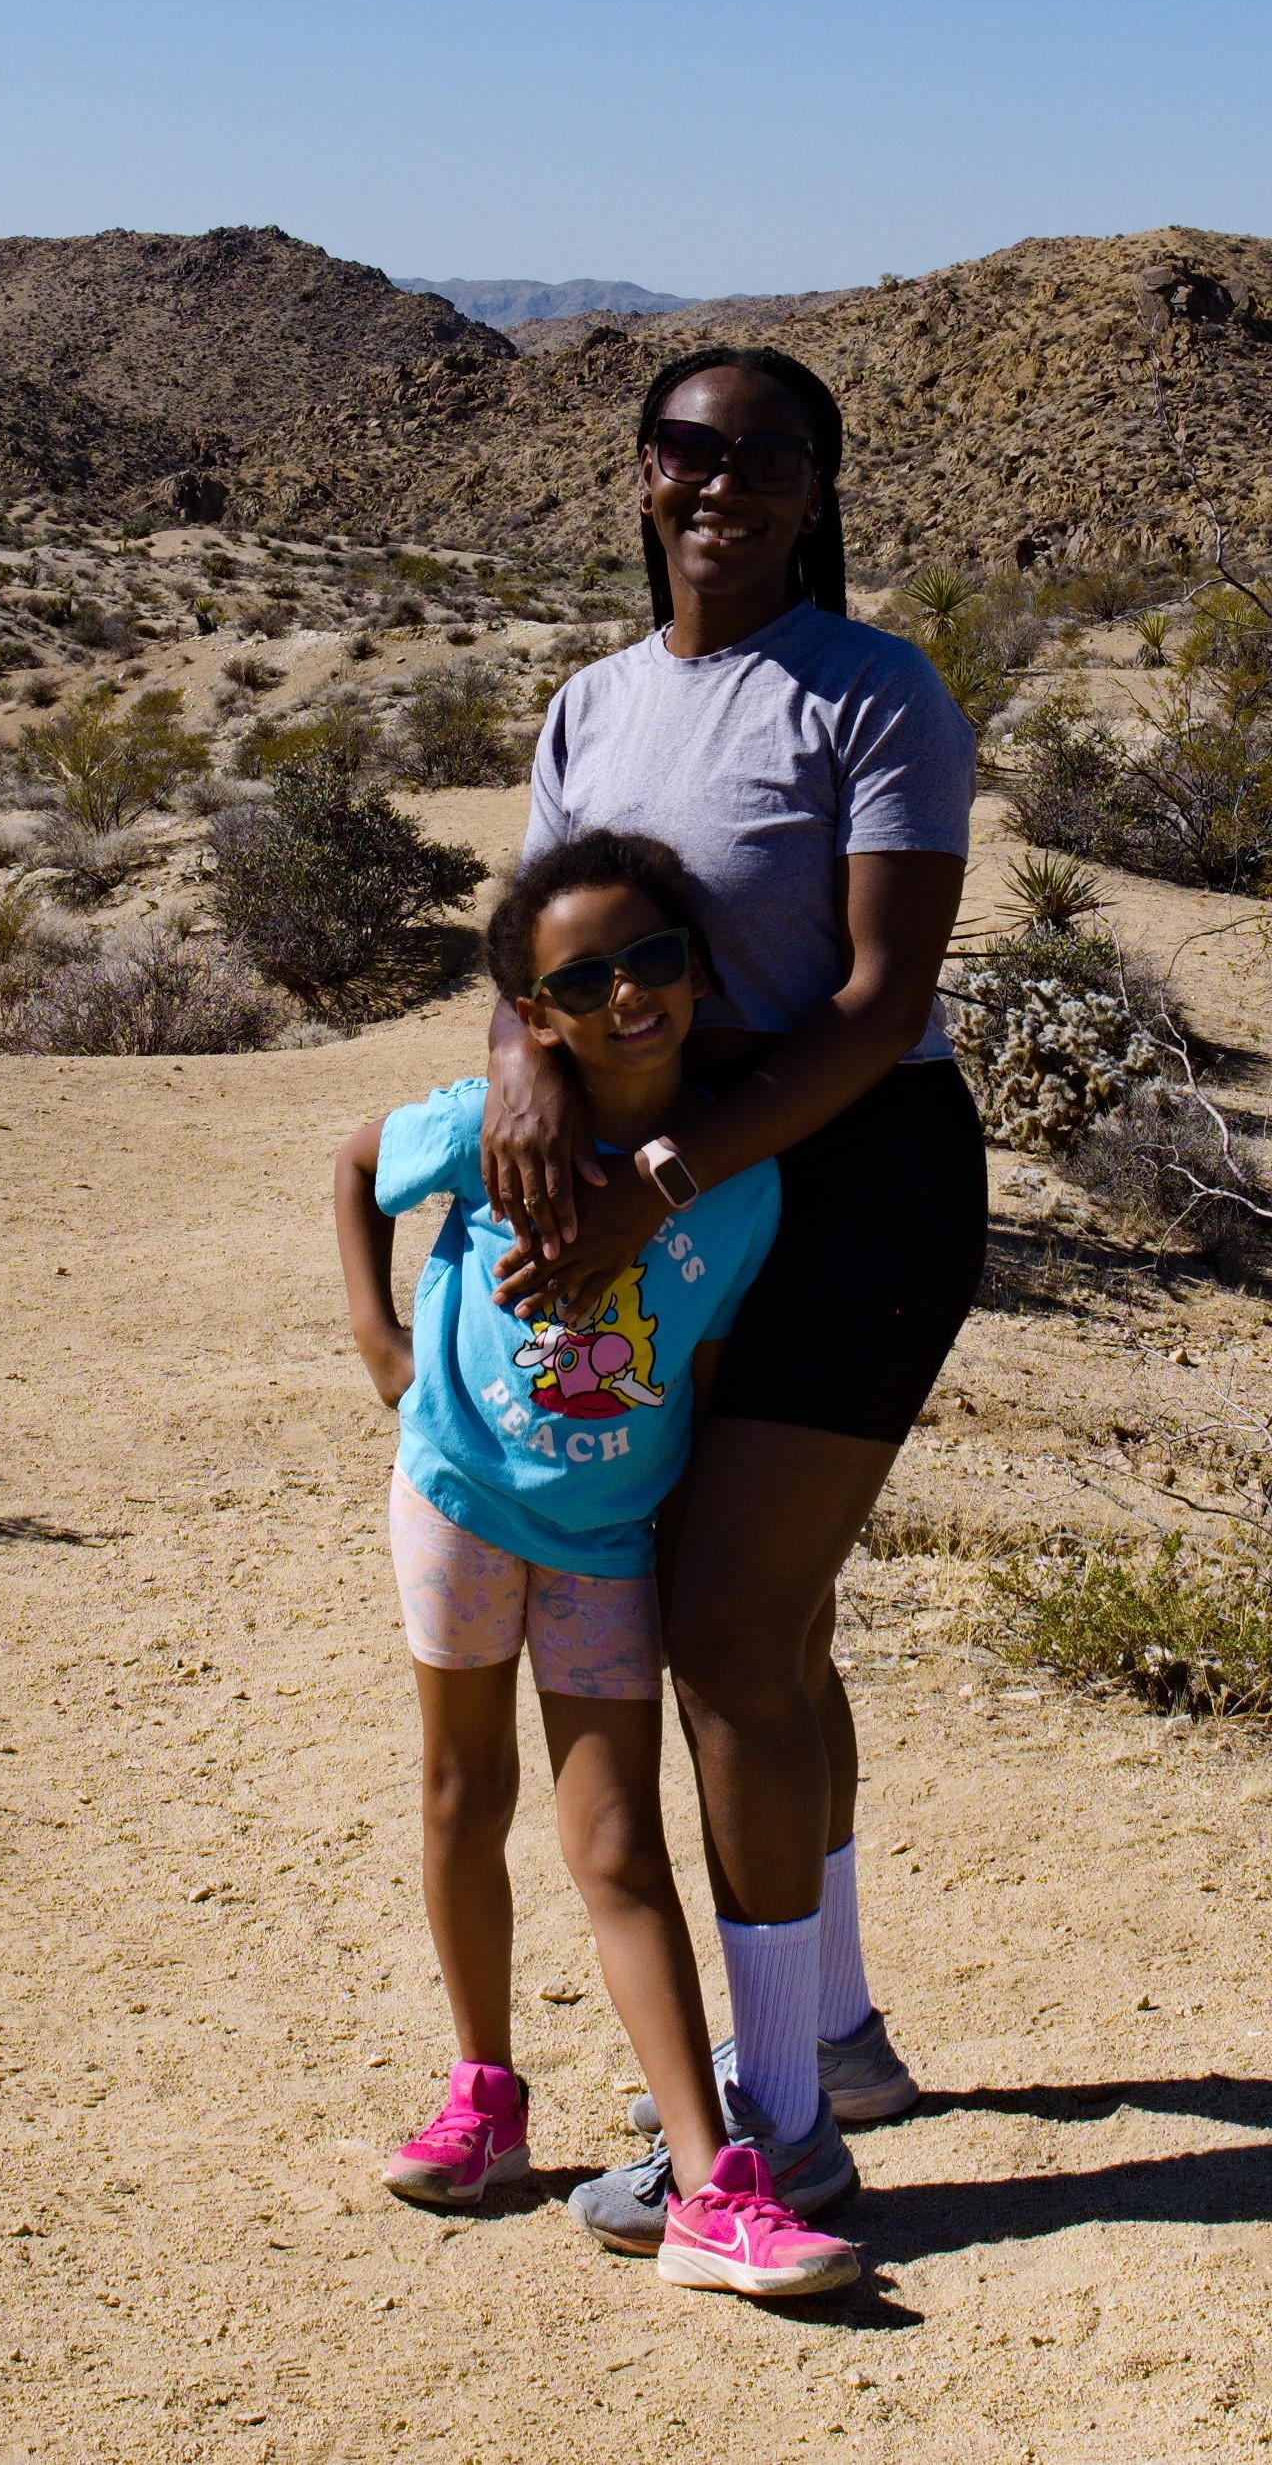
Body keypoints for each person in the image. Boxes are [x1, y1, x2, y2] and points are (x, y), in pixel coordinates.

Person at [478, 348, 983, 2247]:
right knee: (775, 1628)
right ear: (639, 476)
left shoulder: (876, 693)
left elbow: (873, 1001)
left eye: (772, 457)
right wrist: (535, 1081)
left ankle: (771, 2121)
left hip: (848, 1178)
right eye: (694, 451)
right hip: (667, 1202)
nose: (727, 485)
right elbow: (540, 946)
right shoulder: (593, 705)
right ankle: (834, 2030)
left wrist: (657, 1178)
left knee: (722, 1630)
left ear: (815, 490)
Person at [331, 830, 861, 2298]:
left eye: (654, 957)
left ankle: (710, 2179)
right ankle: (485, 2094)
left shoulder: (735, 1185)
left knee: (617, 1839)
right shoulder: (498, 1129)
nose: (629, 992)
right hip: (457, 1500)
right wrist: (382, 1346)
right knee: (462, 1787)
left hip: (609, 1539)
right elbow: (361, 1161)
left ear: (696, 971)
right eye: (583, 976)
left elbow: (713, 1358)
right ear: (536, 1011)